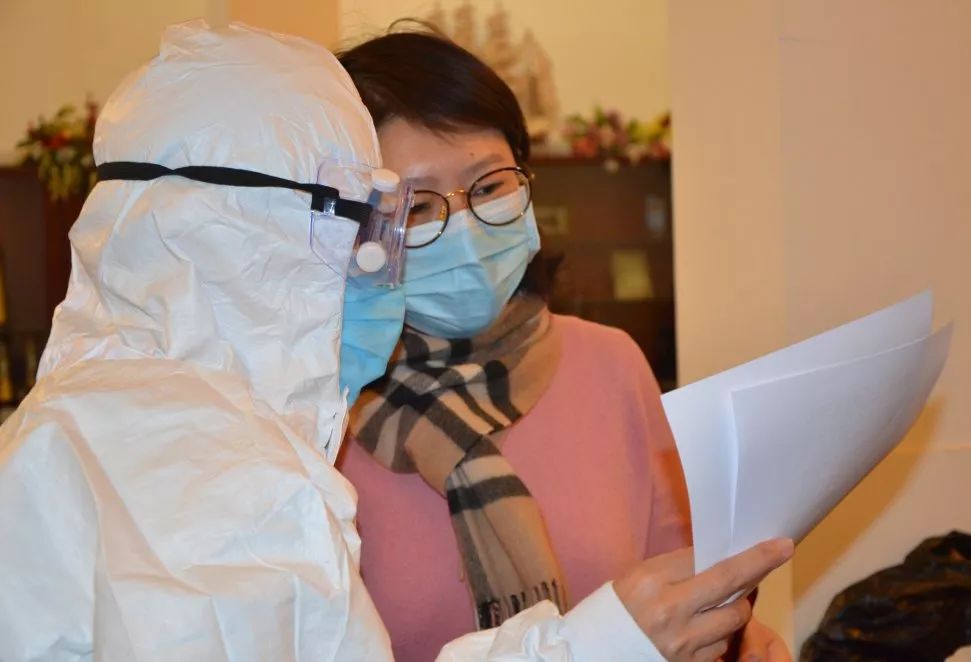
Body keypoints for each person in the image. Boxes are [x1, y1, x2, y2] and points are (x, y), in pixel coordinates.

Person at [0, 20, 791, 662]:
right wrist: (601, 646)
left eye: (489, 185)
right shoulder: (194, 456)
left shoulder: (212, 424)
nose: (381, 256)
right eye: (398, 210)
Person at [337, 29, 793, 662]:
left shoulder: (609, 363)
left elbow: (683, 584)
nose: (464, 226)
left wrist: (734, 637)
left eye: (489, 186)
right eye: (416, 206)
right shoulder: (321, 409)